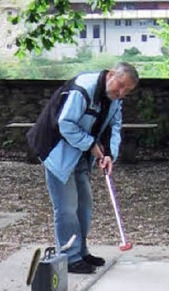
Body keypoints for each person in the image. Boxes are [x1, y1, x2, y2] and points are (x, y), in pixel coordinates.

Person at [27, 62, 139, 274]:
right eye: (121, 86)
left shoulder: (115, 99)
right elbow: (65, 123)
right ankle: (70, 257)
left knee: (84, 205)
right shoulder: (83, 89)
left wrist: (109, 154)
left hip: (80, 154)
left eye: (128, 91)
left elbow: (114, 126)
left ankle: (82, 251)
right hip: (56, 151)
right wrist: (90, 144)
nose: (122, 92)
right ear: (112, 74)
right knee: (67, 207)